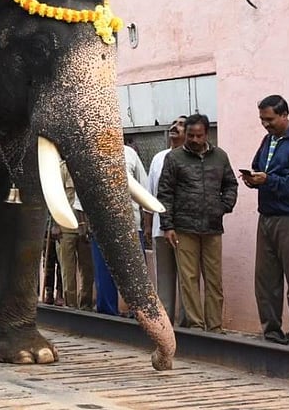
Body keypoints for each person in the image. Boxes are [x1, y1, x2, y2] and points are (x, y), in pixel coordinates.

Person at [241, 94, 289, 348]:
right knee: (265, 279)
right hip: (266, 215)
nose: (265, 124)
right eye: (262, 119)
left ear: (285, 115)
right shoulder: (268, 140)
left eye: (270, 119)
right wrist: (253, 179)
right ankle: (272, 332)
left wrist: (269, 181)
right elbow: (258, 166)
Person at [158, 114, 237, 332]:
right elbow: (165, 193)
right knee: (188, 279)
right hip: (183, 228)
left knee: (214, 279)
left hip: (212, 226)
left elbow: (231, 184)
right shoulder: (174, 158)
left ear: (207, 134)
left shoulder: (220, 157)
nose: (193, 139)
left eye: (198, 135)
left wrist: (224, 206)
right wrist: (168, 226)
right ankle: (195, 325)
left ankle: (215, 327)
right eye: (190, 135)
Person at [91, 144, 149, 315]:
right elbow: (82, 196)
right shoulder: (90, 153)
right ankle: (107, 313)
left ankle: (140, 313)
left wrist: (147, 225)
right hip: (101, 226)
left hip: (131, 224)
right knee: (104, 272)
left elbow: (144, 189)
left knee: (136, 274)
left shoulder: (130, 153)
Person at [146, 116, 187, 324]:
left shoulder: (190, 159)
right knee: (164, 280)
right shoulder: (158, 158)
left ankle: (187, 324)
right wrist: (147, 225)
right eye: (173, 123)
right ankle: (165, 324)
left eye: (181, 124)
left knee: (188, 280)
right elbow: (150, 194)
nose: (174, 127)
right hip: (159, 229)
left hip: (184, 230)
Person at [53, 161, 94, 311]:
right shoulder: (61, 169)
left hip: (86, 227)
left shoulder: (87, 167)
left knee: (88, 270)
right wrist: (56, 224)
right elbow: (54, 197)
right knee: (68, 271)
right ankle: (71, 306)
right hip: (66, 226)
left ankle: (85, 305)